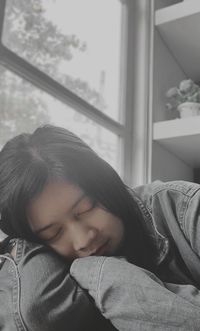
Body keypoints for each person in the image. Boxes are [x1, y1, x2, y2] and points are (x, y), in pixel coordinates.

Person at [1, 124, 200, 329]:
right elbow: (35, 313)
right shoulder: (50, 271)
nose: (83, 239)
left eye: (86, 208)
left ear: (105, 183)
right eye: (54, 233)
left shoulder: (184, 207)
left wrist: (103, 275)